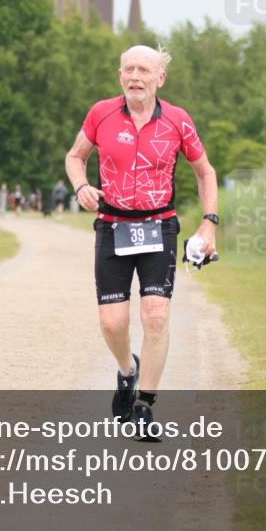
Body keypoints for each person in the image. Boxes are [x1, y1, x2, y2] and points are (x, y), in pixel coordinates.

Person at [65, 45, 218, 436]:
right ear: (120, 76)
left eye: (144, 70)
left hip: (159, 226)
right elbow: (75, 156)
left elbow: (205, 172)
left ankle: (144, 406)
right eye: (128, 69)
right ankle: (127, 370)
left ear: (159, 78)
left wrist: (209, 223)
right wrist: (81, 185)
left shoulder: (178, 121)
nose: (135, 76)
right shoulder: (101, 113)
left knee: (155, 316)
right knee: (113, 323)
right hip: (113, 225)